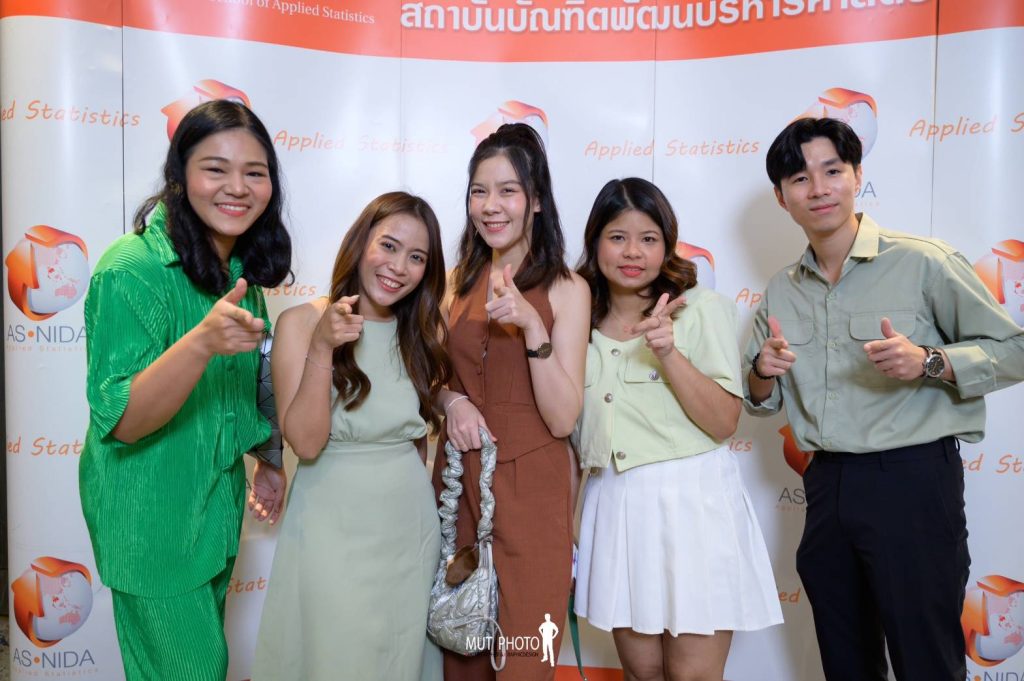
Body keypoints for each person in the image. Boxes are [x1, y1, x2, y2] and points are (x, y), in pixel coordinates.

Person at [744, 117, 1024, 681]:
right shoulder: (781, 289)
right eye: (800, 178)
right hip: (826, 485)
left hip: (911, 483)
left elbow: (1014, 349)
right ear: (781, 197)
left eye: (832, 171)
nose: (818, 189)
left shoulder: (923, 261)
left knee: (926, 660)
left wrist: (929, 361)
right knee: (846, 662)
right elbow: (760, 402)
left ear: (857, 175)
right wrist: (761, 372)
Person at [79, 99, 292, 680]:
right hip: (152, 525)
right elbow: (123, 420)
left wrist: (269, 457)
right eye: (215, 168)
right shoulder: (131, 270)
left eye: (255, 172)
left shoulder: (238, 274)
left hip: (214, 513)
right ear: (180, 174)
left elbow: (249, 379)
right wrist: (200, 343)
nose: (238, 187)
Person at [573, 178, 782, 681]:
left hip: (692, 505)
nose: (633, 252)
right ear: (595, 242)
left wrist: (668, 352)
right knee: (642, 673)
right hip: (613, 504)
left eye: (648, 239)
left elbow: (724, 421)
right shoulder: (575, 319)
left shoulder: (700, 308)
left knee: (692, 676)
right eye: (617, 237)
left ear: (667, 245)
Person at [252, 191, 450, 681]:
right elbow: (306, 443)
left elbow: (416, 437)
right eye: (389, 246)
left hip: (408, 530)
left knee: (400, 658)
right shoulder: (300, 322)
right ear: (361, 243)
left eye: (417, 257)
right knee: (336, 657)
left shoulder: (421, 331)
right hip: (329, 525)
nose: (398, 267)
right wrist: (323, 345)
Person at [433, 122, 591, 680]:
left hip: (534, 492)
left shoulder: (568, 289)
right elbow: (429, 378)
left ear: (537, 200)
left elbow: (563, 417)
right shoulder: (454, 281)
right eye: (479, 191)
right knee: (462, 655)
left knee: (527, 658)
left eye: (508, 191)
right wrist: (452, 401)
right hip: (458, 487)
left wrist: (531, 326)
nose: (491, 206)